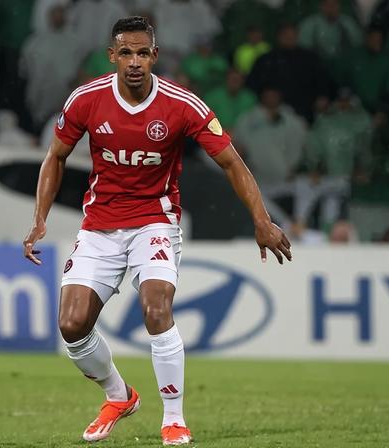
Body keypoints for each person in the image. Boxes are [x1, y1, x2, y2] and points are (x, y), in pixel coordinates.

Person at [22, 16, 292, 446]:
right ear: (112, 56)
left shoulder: (183, 104)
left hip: (155, 221)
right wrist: (40, 219)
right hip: (99, 226)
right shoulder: (86, 100)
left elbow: (231, 162)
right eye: (125, 52)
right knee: (72, 325)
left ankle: (174, 419)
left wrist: (261, 219)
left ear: (155, 56)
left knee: (155, 309)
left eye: (142, 52)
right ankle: (119, 396)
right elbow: (54, 157)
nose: (134, 61)